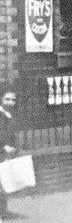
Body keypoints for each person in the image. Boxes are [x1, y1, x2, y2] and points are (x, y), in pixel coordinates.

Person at [0, 88, 17, 218]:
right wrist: (4, 146)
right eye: (7, 99)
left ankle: (3, 212)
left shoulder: (8, 114)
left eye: (13, 99)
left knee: (4, 184)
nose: (11, 102)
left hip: (5, 154)